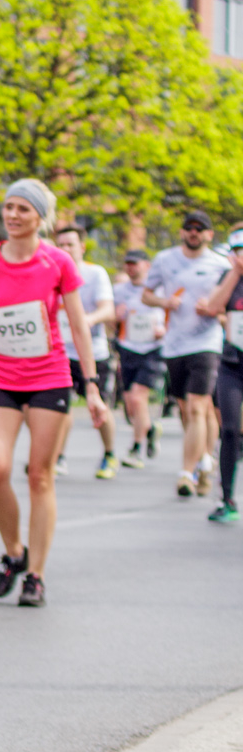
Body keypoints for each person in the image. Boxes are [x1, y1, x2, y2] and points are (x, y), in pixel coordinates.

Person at [0, 180, 109, 608]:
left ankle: (36, 576)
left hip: (49, 377)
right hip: (1, 377)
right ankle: (14, 553)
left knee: (39, 475)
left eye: (23, 209)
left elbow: (79, 326)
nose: (13, 215)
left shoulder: (57, 261)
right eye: (8, 207)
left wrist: (92, 387)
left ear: (40, 218)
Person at [143, 210, 228, 498]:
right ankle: (205, 458)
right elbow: (146, 295)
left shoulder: (220, 264)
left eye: (199, 228)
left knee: (197, 405)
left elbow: (230, 301)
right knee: (186, 408)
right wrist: (164, 301)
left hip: (207, 341)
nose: (193, 232)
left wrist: (215, 308)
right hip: (174, 344)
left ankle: (187, 472)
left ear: (209, 235)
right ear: (182, 232)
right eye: (189, 228)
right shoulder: (165, 259)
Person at [51, 225, 119, 480]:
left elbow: (108, 310)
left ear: (82, 247)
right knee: (61, 406)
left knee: (99, 407)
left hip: (93, 352)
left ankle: (109, 453)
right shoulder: (50, 273)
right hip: (60, 353)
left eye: (70, 244)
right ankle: (58, 457)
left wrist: (87, 320)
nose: (65, 249)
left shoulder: (95, 273)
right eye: (60, 245)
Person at [196, 223, 243, 522]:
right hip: (232, 365)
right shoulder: (228, 278)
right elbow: (211, 307)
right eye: (237, 252)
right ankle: (226, 498)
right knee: (228, 429)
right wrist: (235, 274)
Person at [112, 249, 164, 467]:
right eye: (127, 263)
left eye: (135, 263)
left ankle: (136, 449)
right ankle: (150, 429)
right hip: (128, 348)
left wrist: (163, 329)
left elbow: (170, 315)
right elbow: (111, 322)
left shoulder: (157, 290)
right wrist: (114, 317)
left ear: (146, 266)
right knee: (131, 405)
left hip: (152, 349)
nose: (131, 267)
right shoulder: (118, 290)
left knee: (137, 397)